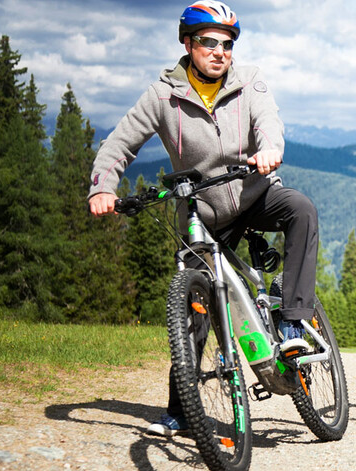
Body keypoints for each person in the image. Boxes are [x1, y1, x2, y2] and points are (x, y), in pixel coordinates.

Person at [88, 0, 319, 437]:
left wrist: (270, 148)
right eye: (209, 42)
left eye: (227, 44)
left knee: (302, 209)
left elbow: (269, 121)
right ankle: (182, 408)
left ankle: (292, 320)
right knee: (193, 305)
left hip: (255, 193)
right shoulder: (162, 95)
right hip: (202, 210)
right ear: (188, 44)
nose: (220, 52)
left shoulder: (248, 81)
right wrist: (103, 186)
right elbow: (117, 144)